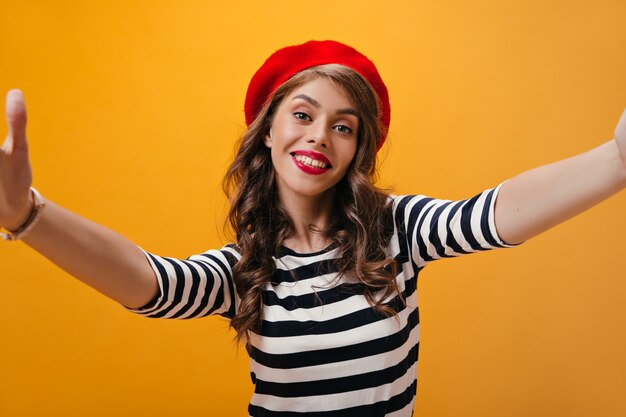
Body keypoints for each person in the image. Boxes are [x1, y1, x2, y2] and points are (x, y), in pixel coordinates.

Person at [1, 40, 625, 416]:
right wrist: (29, 215)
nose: (319, 136)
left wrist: (616, 159)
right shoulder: (243, 270)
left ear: (357, 150)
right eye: (302, 114)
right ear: (267, 130)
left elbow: (494, 213)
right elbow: (151, 283)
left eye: (344, 125)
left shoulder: (395, 233)